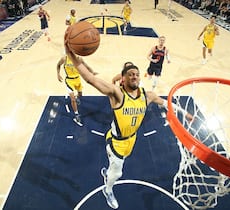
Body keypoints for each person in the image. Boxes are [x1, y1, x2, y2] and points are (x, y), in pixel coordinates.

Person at [64, 33, 193, 209]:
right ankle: (108, 189)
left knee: (116, 167)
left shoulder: (147, 96)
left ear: (140, 78)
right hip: (116, 142)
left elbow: (166, 104)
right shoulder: (117, 95)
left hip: (131, 139)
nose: (134, 76)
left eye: (136, 74)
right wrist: (70, 54)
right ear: (122, 79)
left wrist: (185, 114)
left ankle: (109, 172)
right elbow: (90, 78)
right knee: (118, 172)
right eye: (130, 74)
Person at [56, 54, 97, 126]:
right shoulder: (64, 58)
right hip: (69, 80)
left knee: (80, 95)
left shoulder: (79, 59)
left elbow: (86, 66)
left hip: (77, 79)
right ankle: (76, 114)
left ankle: (77, 97)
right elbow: (58, 65)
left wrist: (92, 72)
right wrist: (58, 74)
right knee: (72, 100)